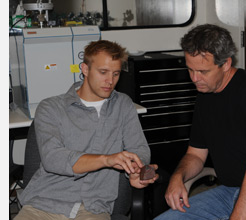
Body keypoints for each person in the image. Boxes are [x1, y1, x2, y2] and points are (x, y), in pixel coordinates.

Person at [154, 24, 246, 220]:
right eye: (190, 69)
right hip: (230, 190)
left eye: (203, 71)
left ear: (226, 63)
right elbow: (196, 155)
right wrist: (178, 177)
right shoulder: (205, 95)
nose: (194, 78)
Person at [15, 40, 158, 220]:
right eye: (103, 72)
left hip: (94, 208)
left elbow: (140, 149)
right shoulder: (51, 107)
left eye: (116, 74)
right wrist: (107, 160)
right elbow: (53, 158)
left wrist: (136, 169)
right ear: (85, 69)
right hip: (44, 203)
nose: (110, 81)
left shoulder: (124, 105)